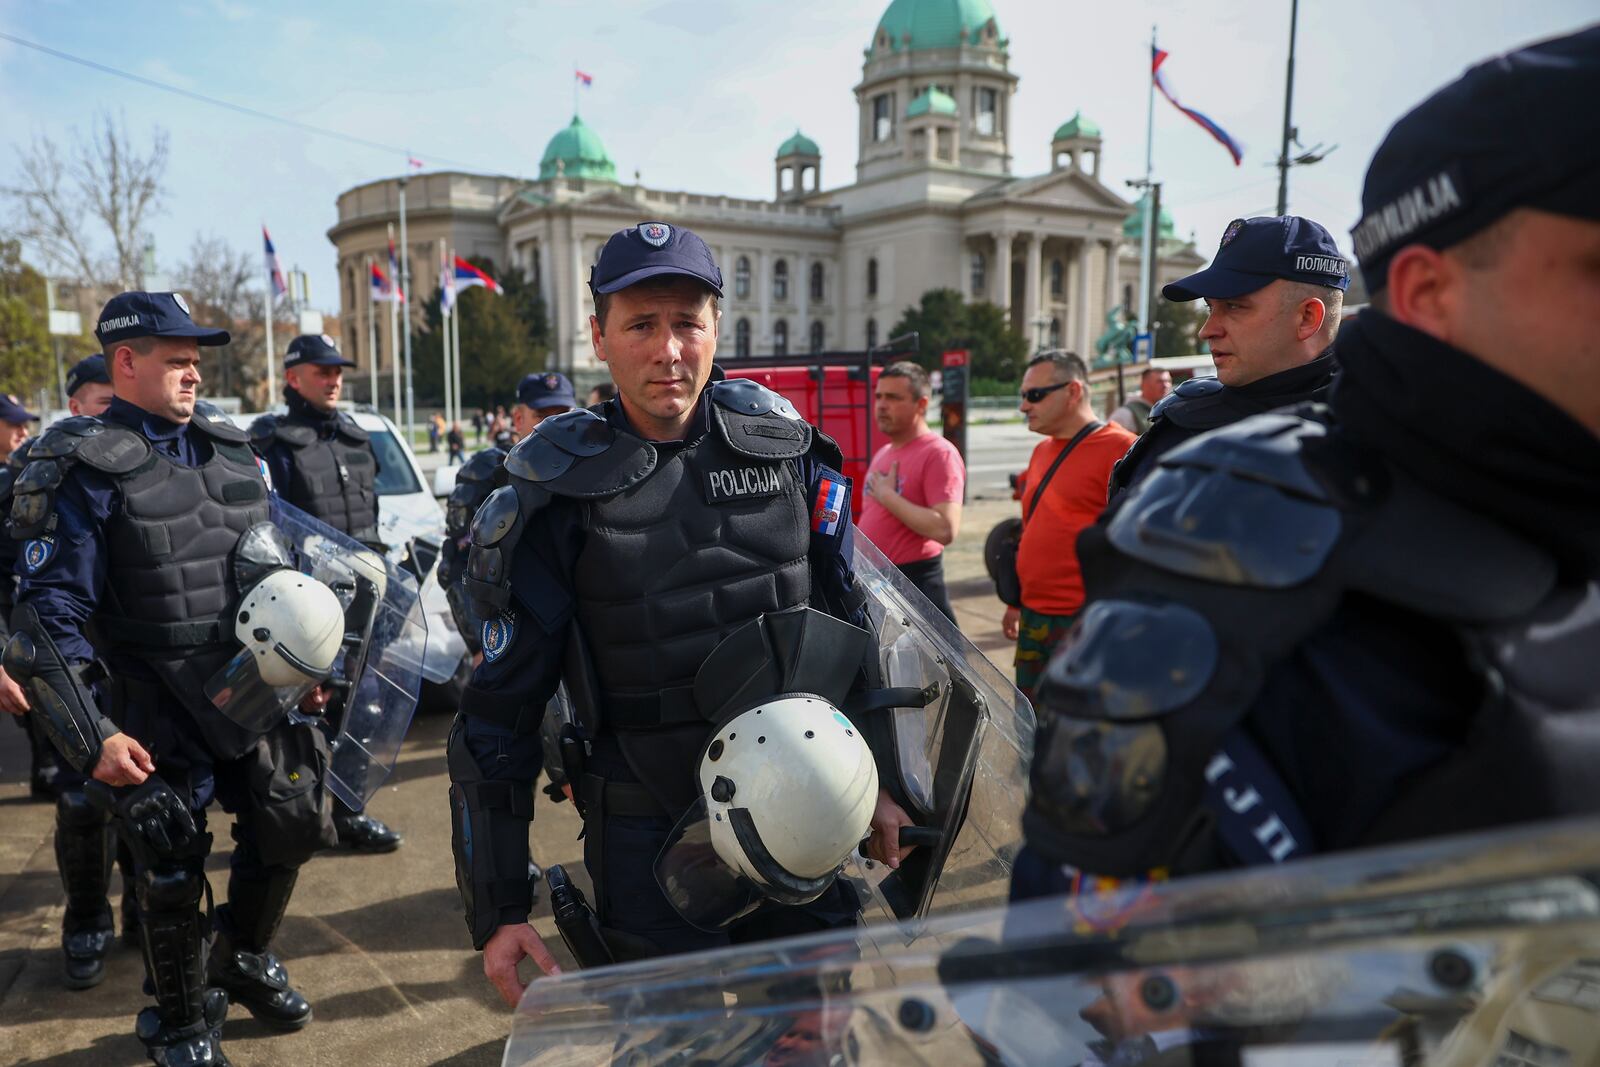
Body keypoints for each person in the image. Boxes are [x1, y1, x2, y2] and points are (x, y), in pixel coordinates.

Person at [1018, 26, 1600, 897]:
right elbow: (1080, 937)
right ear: (1428, 294)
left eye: (1232, 306)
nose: (1207, 328)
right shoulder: (1242, 525)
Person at [449, 222, 916, 1006]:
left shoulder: (788, 451)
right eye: (641, 325)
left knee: (808, 1039)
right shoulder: (552, 493)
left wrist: (884, 782)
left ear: (715, 327)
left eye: (686, 322)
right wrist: (498, 908)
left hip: (808, 807)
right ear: (599, 336)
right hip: (647, 831)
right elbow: (497, 715)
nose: (669, 350)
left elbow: (852, 630)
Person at [7, 291, 344, 1063]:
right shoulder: (81, 465)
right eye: (177, 360)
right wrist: (93, 733)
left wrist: (308, 663)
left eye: (197, 361)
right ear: (126, 361)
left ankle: (243, 954)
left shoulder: (233, 450)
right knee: (168, 859)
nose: (194, 375)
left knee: (291, 814)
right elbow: (46, 616)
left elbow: (274, 568)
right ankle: (179, 1015)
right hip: (148, 694)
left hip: (248, 680)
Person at [1, 355, 138, 990]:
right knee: (85, 803)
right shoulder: (37, 472)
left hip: (144, 663)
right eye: (102, 400)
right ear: (77, 404)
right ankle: (86, 919)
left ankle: (145, 910)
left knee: (155, 794)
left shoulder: (155, 460)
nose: (115, 413)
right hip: (65, 663)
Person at [249, 332, 403, 854]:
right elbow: (267, 530)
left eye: (338, 370)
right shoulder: (272, 443)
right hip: (303, 609)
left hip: (363, 602)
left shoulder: (360, 440)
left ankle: (350, 814)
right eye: (322, 371)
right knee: (301, 714)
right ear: (294, 378)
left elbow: (372, 522)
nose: (334, 379)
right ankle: (298, 819)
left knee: (367, 708)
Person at [1106, 215, 1348, 507]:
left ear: (1307, 318)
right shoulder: (1186, 428)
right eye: (1210, 307)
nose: (1207, 330)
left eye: (1234, 306)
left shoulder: (1384, 433)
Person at [1004, 352, 1133, 704]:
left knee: (1077, 730)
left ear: (1073, 391)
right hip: (1034, 616)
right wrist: (1016, 598)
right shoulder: (1042, 450)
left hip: (1085, 623)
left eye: (1034, 395)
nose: (1023, 406)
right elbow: (1033, 526)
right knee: (1029, 725)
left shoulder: (1123, 449)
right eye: (1023, 395)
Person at [858, 361, 964, 620]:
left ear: (922, 404)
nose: (882, 405)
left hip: (916, 586)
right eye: (879, 396)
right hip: (879, 585)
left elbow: (945, 529)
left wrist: (887, 497)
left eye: (893, 398)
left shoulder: (938, 453)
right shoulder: (885, 452)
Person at [1107, 367, 1171, 435]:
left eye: (1168, 381)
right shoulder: (1125, 414)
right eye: (1159, 381)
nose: (1165, 385)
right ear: (1144, 385)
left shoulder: (1168, 409)